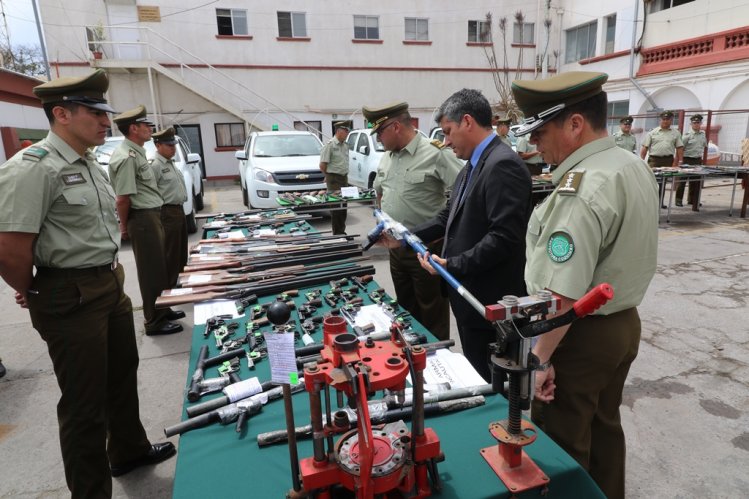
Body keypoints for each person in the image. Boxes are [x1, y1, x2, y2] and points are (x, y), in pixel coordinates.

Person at [0, 70, 175, 498]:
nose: (104, 121)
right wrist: (36, 289)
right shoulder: (32, 168)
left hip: (108, 283)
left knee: (121, 376)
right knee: (84, 405)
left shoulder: (89, 163)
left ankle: (128, 450)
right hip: (69, 294)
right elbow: (9, 247)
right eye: (94, 112)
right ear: (61, 114)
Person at [511, 71, 659, 499]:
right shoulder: (629, 165)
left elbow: (562, 293)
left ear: (575, 124)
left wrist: (540, 360)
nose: (533, 144)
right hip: (622, 325)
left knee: (563, 442)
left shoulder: (582, 187)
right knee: (604, 427)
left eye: (539, 132)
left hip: (576, 332)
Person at [406, 88, 532, 381]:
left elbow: (504, 237)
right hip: (469, 298)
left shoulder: (503, 165)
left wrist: (455, 265)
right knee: (477, 373)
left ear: (467, 122)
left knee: (494, 385)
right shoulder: (472, 166)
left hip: (490, 301)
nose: (446, 141)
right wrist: (404, 234)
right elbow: (447, 217)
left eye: (448, 132)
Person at [365, 101, 462, 341]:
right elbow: (380, 190)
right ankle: (411, 362)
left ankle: (439, 365)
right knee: (405, 312)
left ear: (395, 127)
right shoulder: (387, 157)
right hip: (396, 250)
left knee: (432, 315)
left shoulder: (435, 153)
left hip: (427, 250)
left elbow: (465, 193)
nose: (378, 139)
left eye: (379, 132)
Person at [108, 105, 183, 335]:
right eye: (145, 125)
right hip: (142, 218)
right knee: (151, 272)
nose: (150, 128)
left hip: (151, 215)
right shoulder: (127, 157)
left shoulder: (137, 153)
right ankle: (154, 321)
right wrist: (123, 227)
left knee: (160, 269)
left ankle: (163, 308)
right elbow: (123, 199)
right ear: (133, 128)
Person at [151, 127, 188, 288]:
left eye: (174, 145)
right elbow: (151, 192)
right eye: (169, 146)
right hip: (166, 212)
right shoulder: (155, 166)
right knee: (171, 252)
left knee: (181, 251)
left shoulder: (171, 163)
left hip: (178, 210)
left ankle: (180, 281)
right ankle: (172, 286)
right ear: (158, 146)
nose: (173, 149)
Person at [641, 110, 684, 208]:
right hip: (654, 161)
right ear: (660, 120)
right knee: (652, 182)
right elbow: (645, 147)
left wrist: (680, 161)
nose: (665, 121)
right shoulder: (653, 132)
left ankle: (660, 203)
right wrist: (642, 160)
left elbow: (679, 148)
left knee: (663, 183)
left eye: (668, 119)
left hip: (668, 160)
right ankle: (649, 204)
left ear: (671, 120)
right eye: (663, 119)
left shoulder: (676, 133)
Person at [319, 121, 350, 234]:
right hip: (334, 179)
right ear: (339, 132)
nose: (347, 134)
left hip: (344, 178)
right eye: (346, 132)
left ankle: (342, 231)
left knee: (343, 207)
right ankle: (337, 234)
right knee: (336, 208)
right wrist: (328, 176)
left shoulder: (345, 145)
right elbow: (322, 165)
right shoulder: (330, 145)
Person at [677, 113, 707, 210]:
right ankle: (678, 200)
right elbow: (680, 148)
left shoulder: (703, 135)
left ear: (700, 123)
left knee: (695, 181)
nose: (696, 124)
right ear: (691, 124)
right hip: (687, 159)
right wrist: (680, 160)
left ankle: (692, 200)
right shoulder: (687, 135)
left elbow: (704, 146)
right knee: (682, 181)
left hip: (697, 159)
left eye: (698, 123)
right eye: (694, 123)